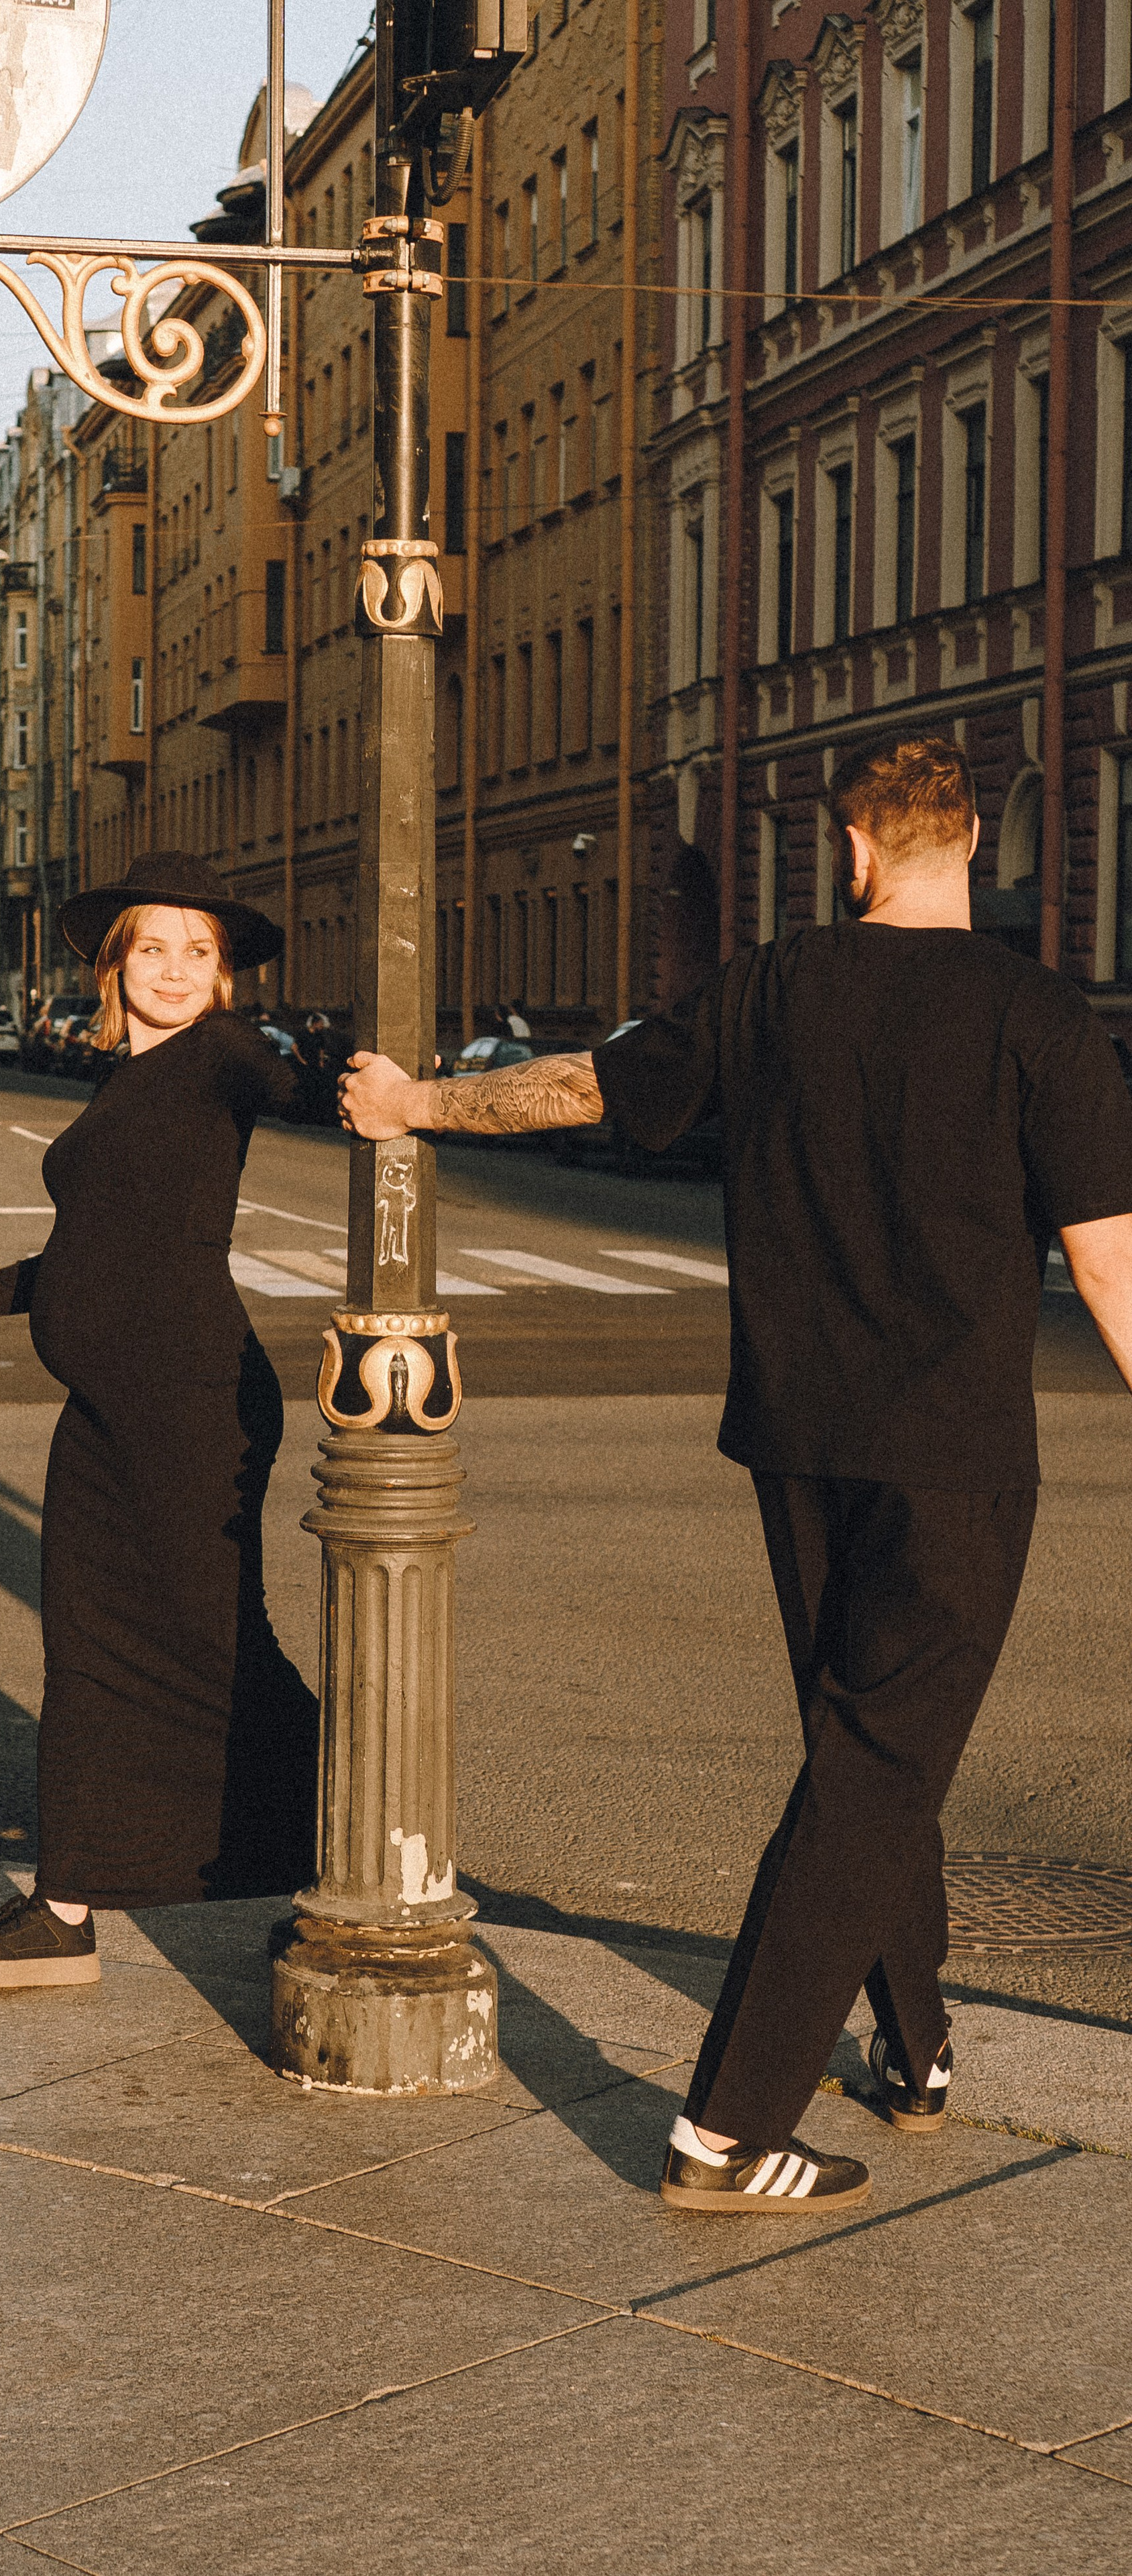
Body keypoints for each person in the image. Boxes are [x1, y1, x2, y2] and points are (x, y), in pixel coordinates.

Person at [341, 734, 1132, 2212]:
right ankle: (727, 2129)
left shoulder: (772, 987)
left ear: (852, 851)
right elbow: (1106, 1263)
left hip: (794, 1436)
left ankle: (914, 2045)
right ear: (973, 846)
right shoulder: (1039, 1014)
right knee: (877, 1765)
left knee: (859, 1746)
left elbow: (583, 1087)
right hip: (952, 1452)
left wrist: (414, 1105)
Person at [0, 854, 319, 1990]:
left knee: (217, 1647)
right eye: (154, 948)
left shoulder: (218, 1054)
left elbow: (290, 1088)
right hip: (113, 1411)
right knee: (88, 1651)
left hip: (192, 1405)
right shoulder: (131, 1078)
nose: (175, 969)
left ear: (223, 978)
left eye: (199, 953)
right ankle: (65, 1908)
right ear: (117, 965)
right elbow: (85, 1256)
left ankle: (356, 1861)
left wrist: (375, 1088)